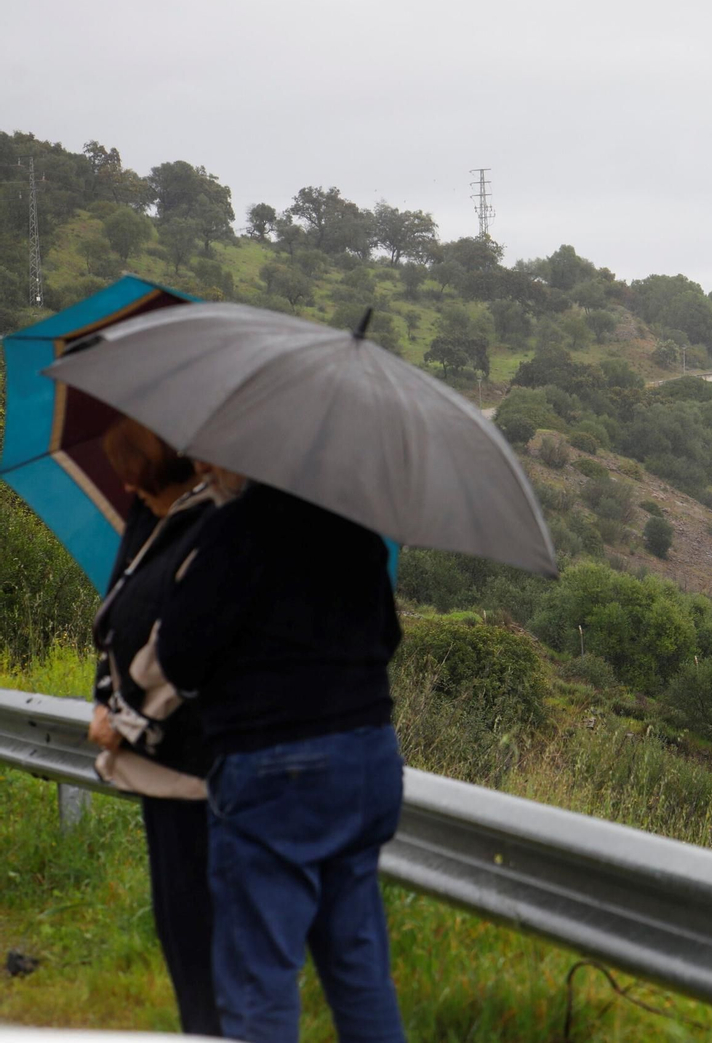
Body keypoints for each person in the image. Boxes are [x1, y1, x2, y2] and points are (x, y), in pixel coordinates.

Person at [151, 471, 405, 1043]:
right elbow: (387, 637)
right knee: (360, 973)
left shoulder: (235, 530)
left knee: (257, 980)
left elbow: (179, 656)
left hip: (276, 769)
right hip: (369, 762)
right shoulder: (358, 531)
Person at [86, 418, 222, 1036]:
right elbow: (116, 614)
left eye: (140, 480)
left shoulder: (212, 525)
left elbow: (180, 643)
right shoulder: (156, 521)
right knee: (179, 925)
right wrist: (101, 699)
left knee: (200, 930)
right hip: (160, 764)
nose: (131, 492)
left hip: (194, 764)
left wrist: (122, 718)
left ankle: (212, 1030)